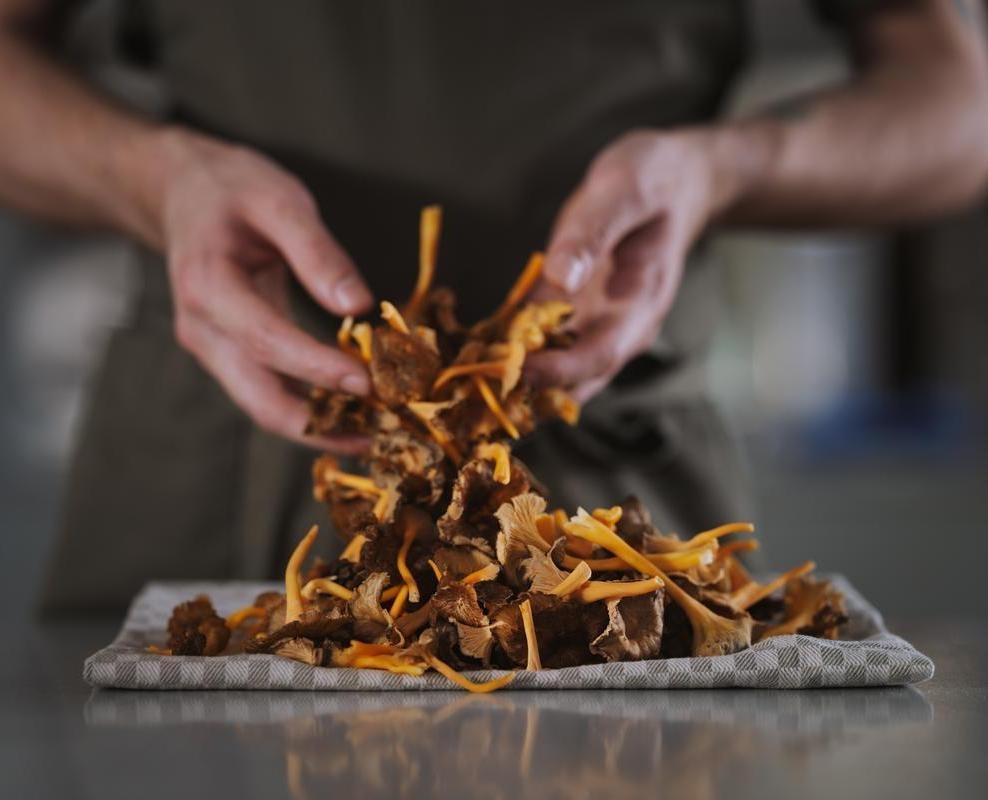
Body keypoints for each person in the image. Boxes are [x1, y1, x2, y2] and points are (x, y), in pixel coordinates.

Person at [1, 1, 985, 614]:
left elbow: (955, 102)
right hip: (212, 474)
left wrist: (725, 169)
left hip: (610, 501)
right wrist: (155, 180)